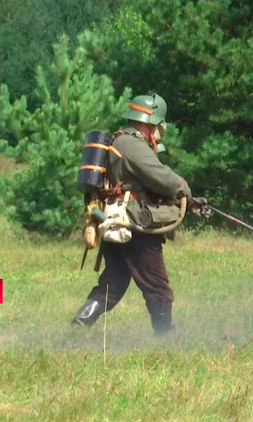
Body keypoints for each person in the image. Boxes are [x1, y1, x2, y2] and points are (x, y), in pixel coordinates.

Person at [71, 93, 205, 334]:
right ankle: (165, 341)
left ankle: (77, 327)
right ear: (151, 121)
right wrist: (185, 189)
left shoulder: (122, 140)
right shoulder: (132, 144)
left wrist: (191, 203)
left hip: (117, 222)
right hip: (134, 227)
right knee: (158, 288)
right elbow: (160, 175)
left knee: (114, 281)